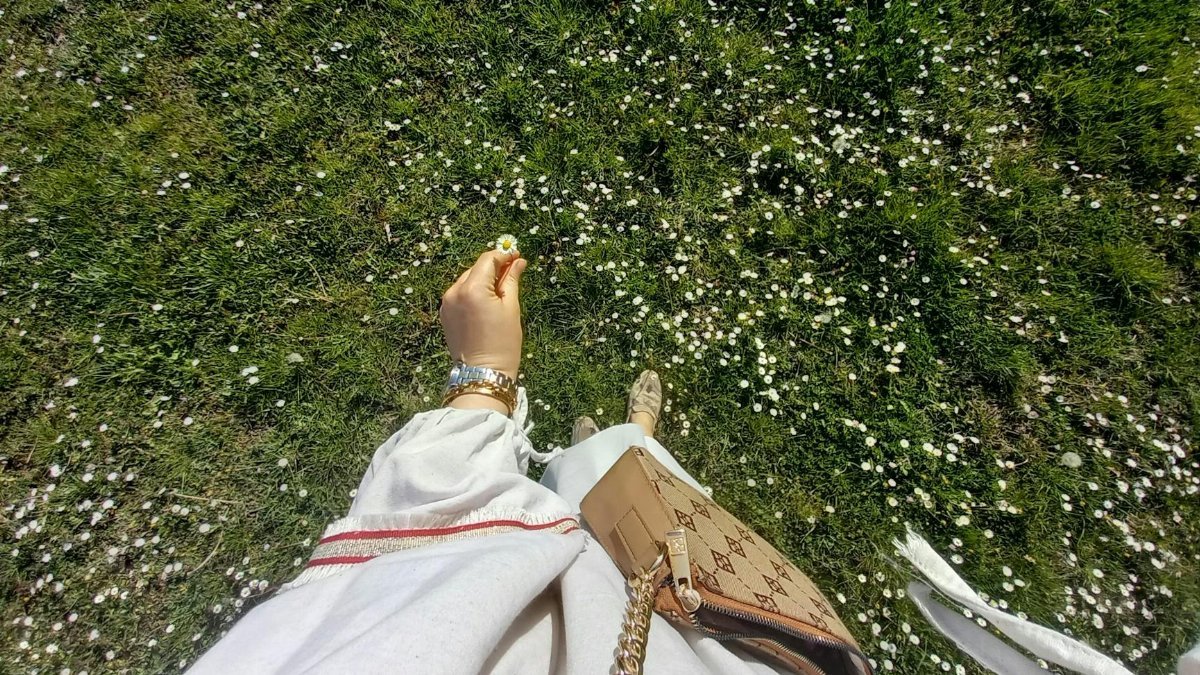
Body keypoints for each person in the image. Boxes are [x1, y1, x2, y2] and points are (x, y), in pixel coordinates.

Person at [189, 248, 788, 674]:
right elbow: (427, 530)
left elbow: (405, 566)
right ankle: (634, 435)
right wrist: (483, 373)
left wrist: (484, 373)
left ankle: (585, 457)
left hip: (587, 587)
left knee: (586, 492)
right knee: (646, 497)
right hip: (682, 616)